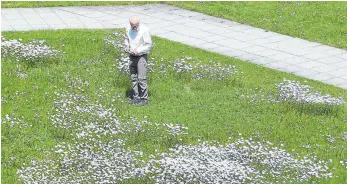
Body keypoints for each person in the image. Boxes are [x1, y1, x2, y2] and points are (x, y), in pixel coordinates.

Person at [124, 16, 153, 106]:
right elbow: (127, 39)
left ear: (139, 23)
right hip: (132, 56)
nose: (134, 27)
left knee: (141, 78)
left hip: (141, 56)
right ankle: (136, 97)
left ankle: (144, 99)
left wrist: (138, 50)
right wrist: (127, 46)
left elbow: (148, 45)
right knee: (133, 77)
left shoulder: (144, 30)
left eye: (135, 25)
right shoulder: (128, 28)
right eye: (132, 25)